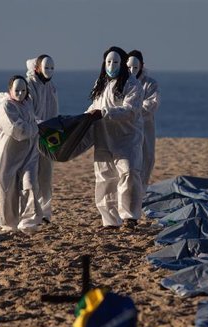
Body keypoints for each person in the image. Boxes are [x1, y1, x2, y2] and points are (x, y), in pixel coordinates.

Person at [86, 46, 144, 229]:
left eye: (116, 62)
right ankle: (110, 220)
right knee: (104, 178)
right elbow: (93, 106)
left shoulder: (132, 84)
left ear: (123, 63)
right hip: (103, 137)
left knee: (129, 172)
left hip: (126, 137)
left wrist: (105, 112)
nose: (112, 65)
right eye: (108, 62)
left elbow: (130, 110)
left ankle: (129, 217)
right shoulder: (100, 83)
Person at [0, 75, 42, 234]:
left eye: (23, 90)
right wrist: (36, 128)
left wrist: (37, 125)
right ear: (9, 90)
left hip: (30, 151)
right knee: (7, 188)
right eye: (17, 90)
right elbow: (16, 130)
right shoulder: (6, 107)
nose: (20, 94)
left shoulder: (28, 103)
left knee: (30, 184)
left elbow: (32, 121)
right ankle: (9, 224)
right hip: (9, 154)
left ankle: (28, 222)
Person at [25, 54, 59, 223]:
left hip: (47, 136)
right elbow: (28, 110)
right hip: (32, 136)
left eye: (52, 68)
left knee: (46, 176)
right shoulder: (29, 85)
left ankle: (45, 214)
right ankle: (31, 213)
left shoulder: (51, 86)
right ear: (37, 68)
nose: (49, 71)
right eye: (46, 67)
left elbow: (53, 110)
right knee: (30, 178)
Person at [127, 50, 160, 187]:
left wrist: (131, 111)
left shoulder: (150, 84)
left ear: (142, 65)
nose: (132, 70)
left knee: (146, 159)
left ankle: (141, 193)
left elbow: (151, 104)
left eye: (135, 67)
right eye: (129, 67)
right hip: (126, 129)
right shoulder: (122, 83)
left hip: (145, 129)